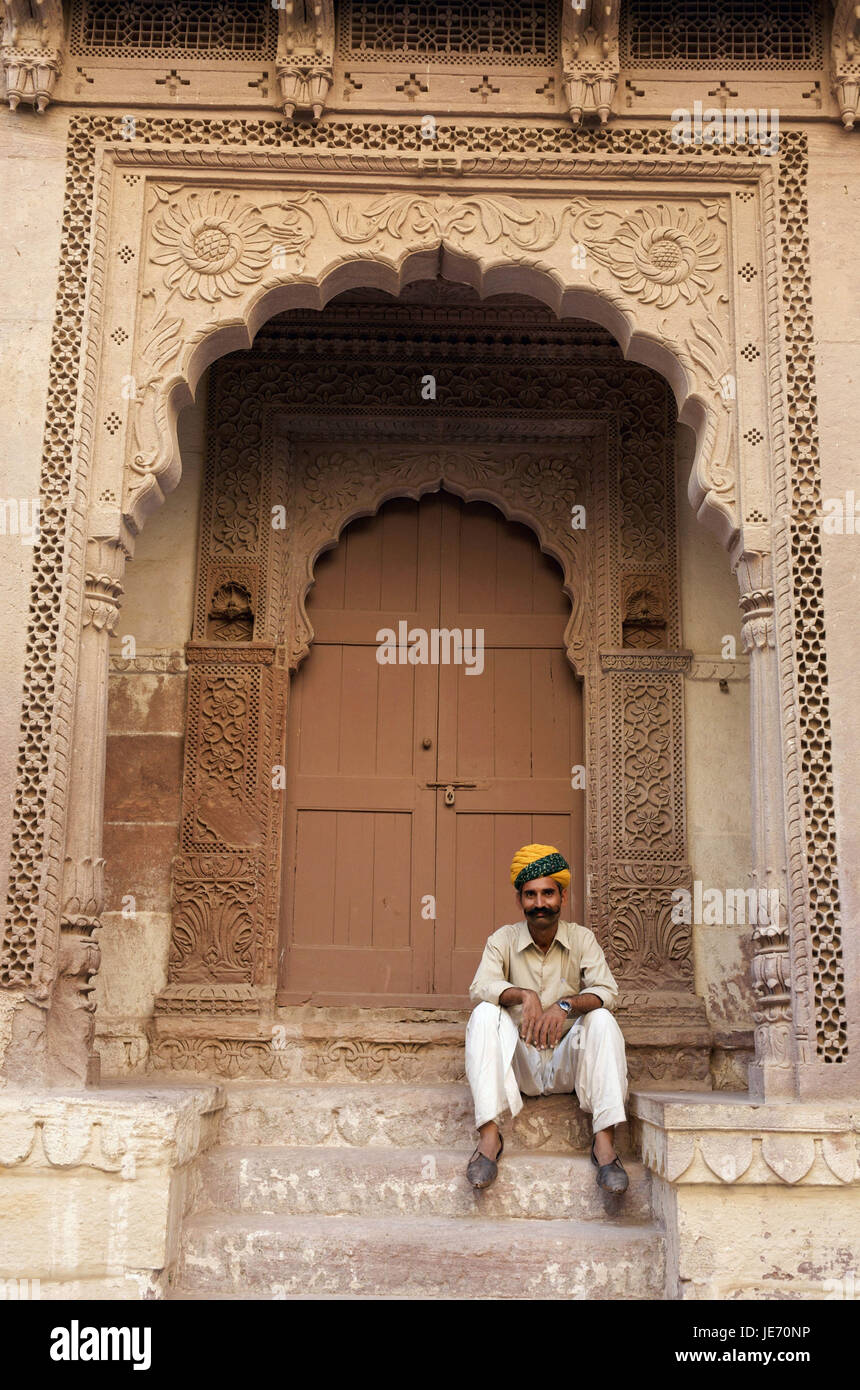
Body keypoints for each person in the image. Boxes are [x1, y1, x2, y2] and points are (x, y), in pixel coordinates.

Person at [465, 843, 629, 1194]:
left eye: (547, 894)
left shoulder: (581, 939)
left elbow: (608, 991)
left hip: (565, 1061)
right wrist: (525, 995)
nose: (540, 903)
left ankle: (604, 1147)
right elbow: (481, 986)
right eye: (531, 895)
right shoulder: (503, 940)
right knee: (483, 1014)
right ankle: (489, 1140)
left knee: (602, 1019)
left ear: (562, 896)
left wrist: (567, 1005)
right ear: (520, 900)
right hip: (521, 1062)